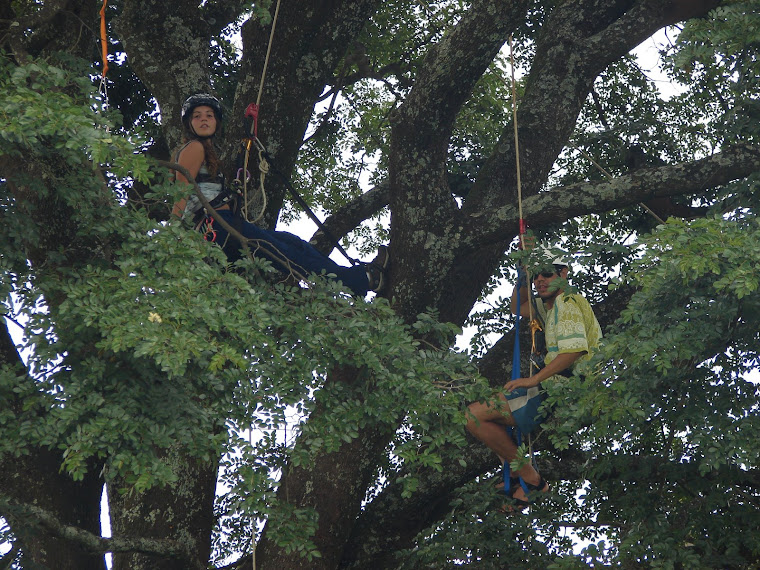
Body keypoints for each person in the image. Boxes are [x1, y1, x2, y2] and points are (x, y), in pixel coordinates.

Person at [171, 93, 388, 296]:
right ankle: (361, 281)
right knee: (287, 254)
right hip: (216, 227)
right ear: (189, 123)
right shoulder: (194, 148)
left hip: (224, 225)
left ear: (217, 122)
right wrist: (169, 239)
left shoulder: (206, 152)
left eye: (209, 115)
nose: (204, 120)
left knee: (292, 243)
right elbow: (180, 192)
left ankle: (355, 277)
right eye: (197, 116)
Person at [466, 250, 602, 509]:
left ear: (563, 274)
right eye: (536, 276)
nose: (540, 279)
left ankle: (531, 479)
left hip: (562, 387)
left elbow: (573, 350)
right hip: (555, 385)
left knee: (475, 416)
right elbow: (519, 306)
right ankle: (519, 474)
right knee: (484, 410)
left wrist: (533, 380)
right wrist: (523, 272)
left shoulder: (567, 302)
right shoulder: (550, 307)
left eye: (547, 273)